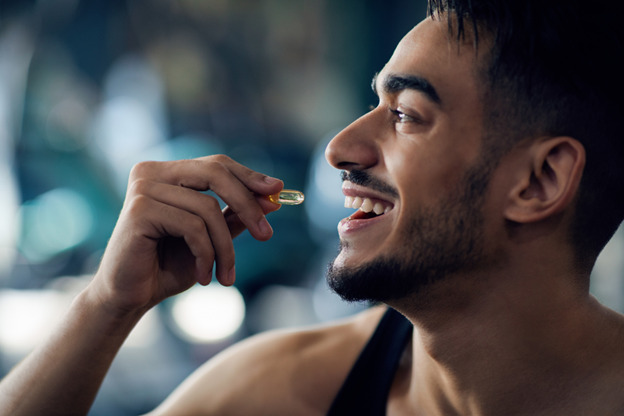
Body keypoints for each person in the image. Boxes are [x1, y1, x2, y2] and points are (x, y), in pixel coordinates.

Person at [2, 0, 624, 414]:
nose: (341, 148)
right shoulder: (285, 392)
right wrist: (106, 307)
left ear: (539, 181)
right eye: (374, 105)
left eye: (406, 115)